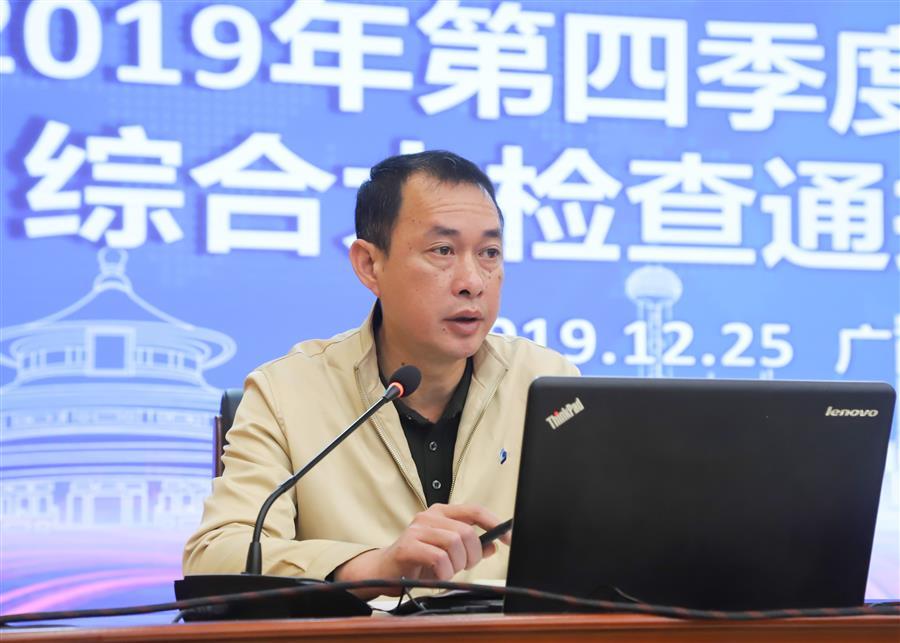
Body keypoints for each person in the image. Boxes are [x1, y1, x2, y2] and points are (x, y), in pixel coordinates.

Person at [183, 151, 578, 597]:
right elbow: (216, 556)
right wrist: (371, 568)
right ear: (369, 265)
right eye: (443, 251)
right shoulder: (286, 393)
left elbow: (603, 538)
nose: (473, 281)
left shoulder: (548, 384)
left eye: (489, 253)